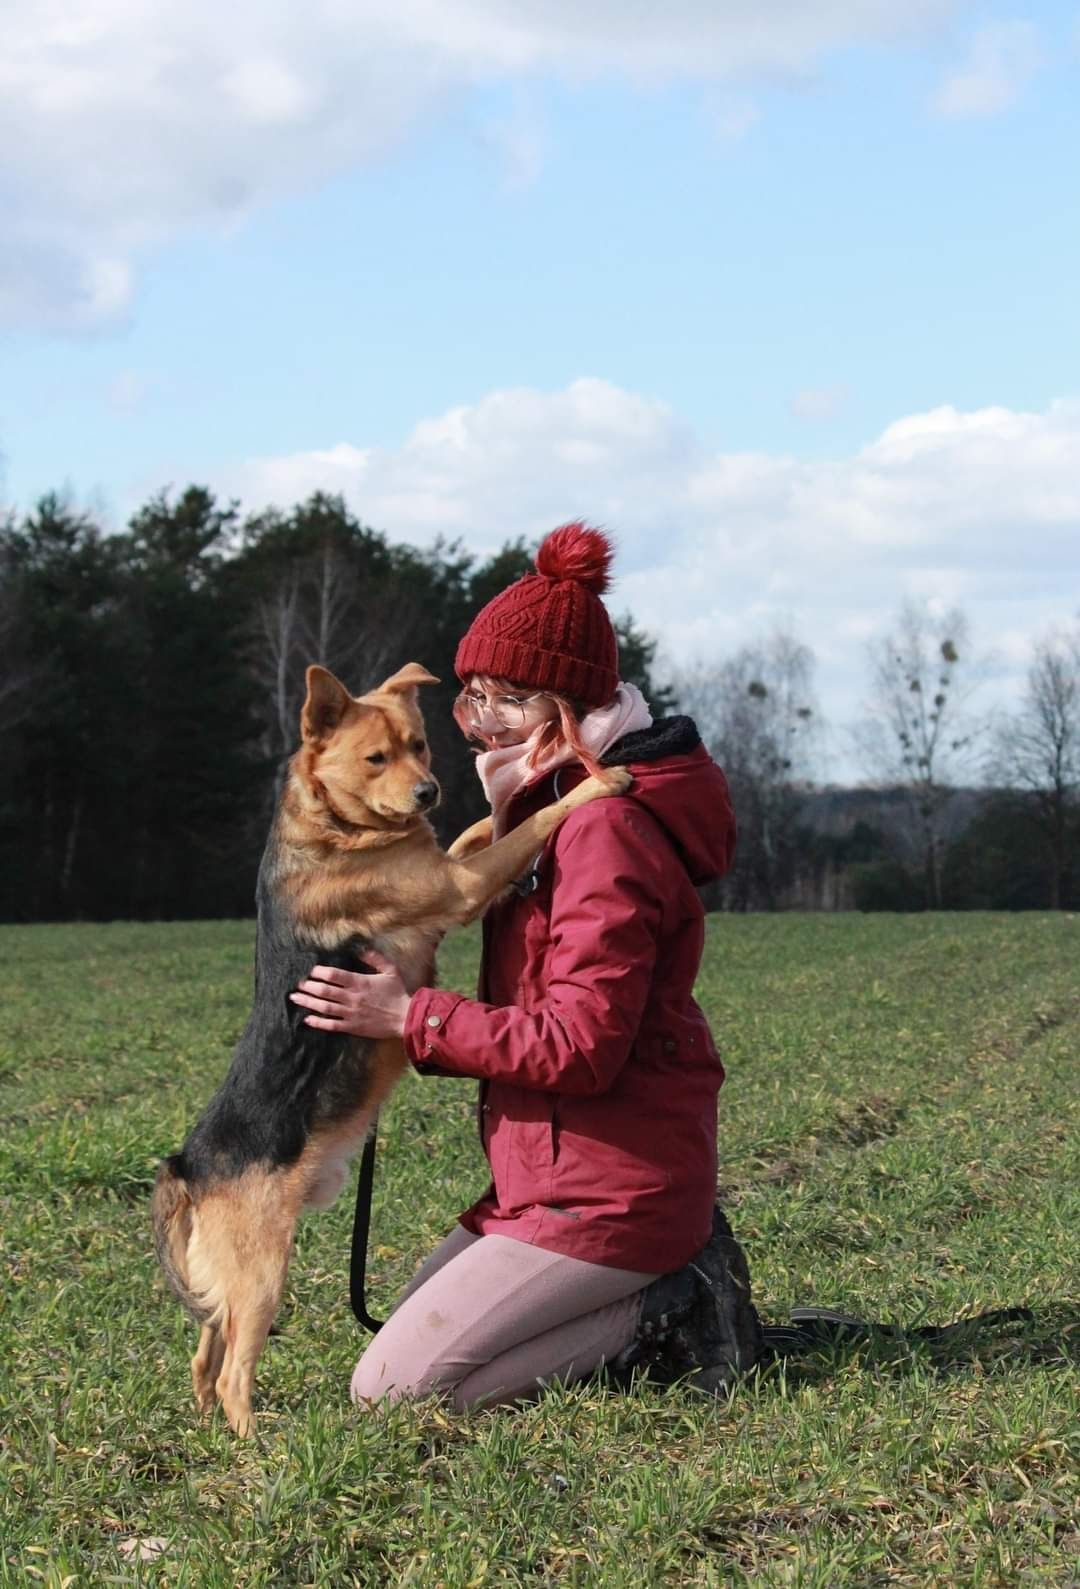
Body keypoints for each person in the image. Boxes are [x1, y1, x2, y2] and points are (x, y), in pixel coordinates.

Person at [289, 521, 762, 1409]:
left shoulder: (606, 829)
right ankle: (630, 1288)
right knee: (406, 1330)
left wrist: (410, 1018)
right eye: (473, 698)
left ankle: (672, 1296)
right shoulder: (540, 815)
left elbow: (581, 1044)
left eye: (510, 701)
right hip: (544, 1183)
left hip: (616, 1193)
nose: (482, 724)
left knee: (394, 1394)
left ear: (568, 710)